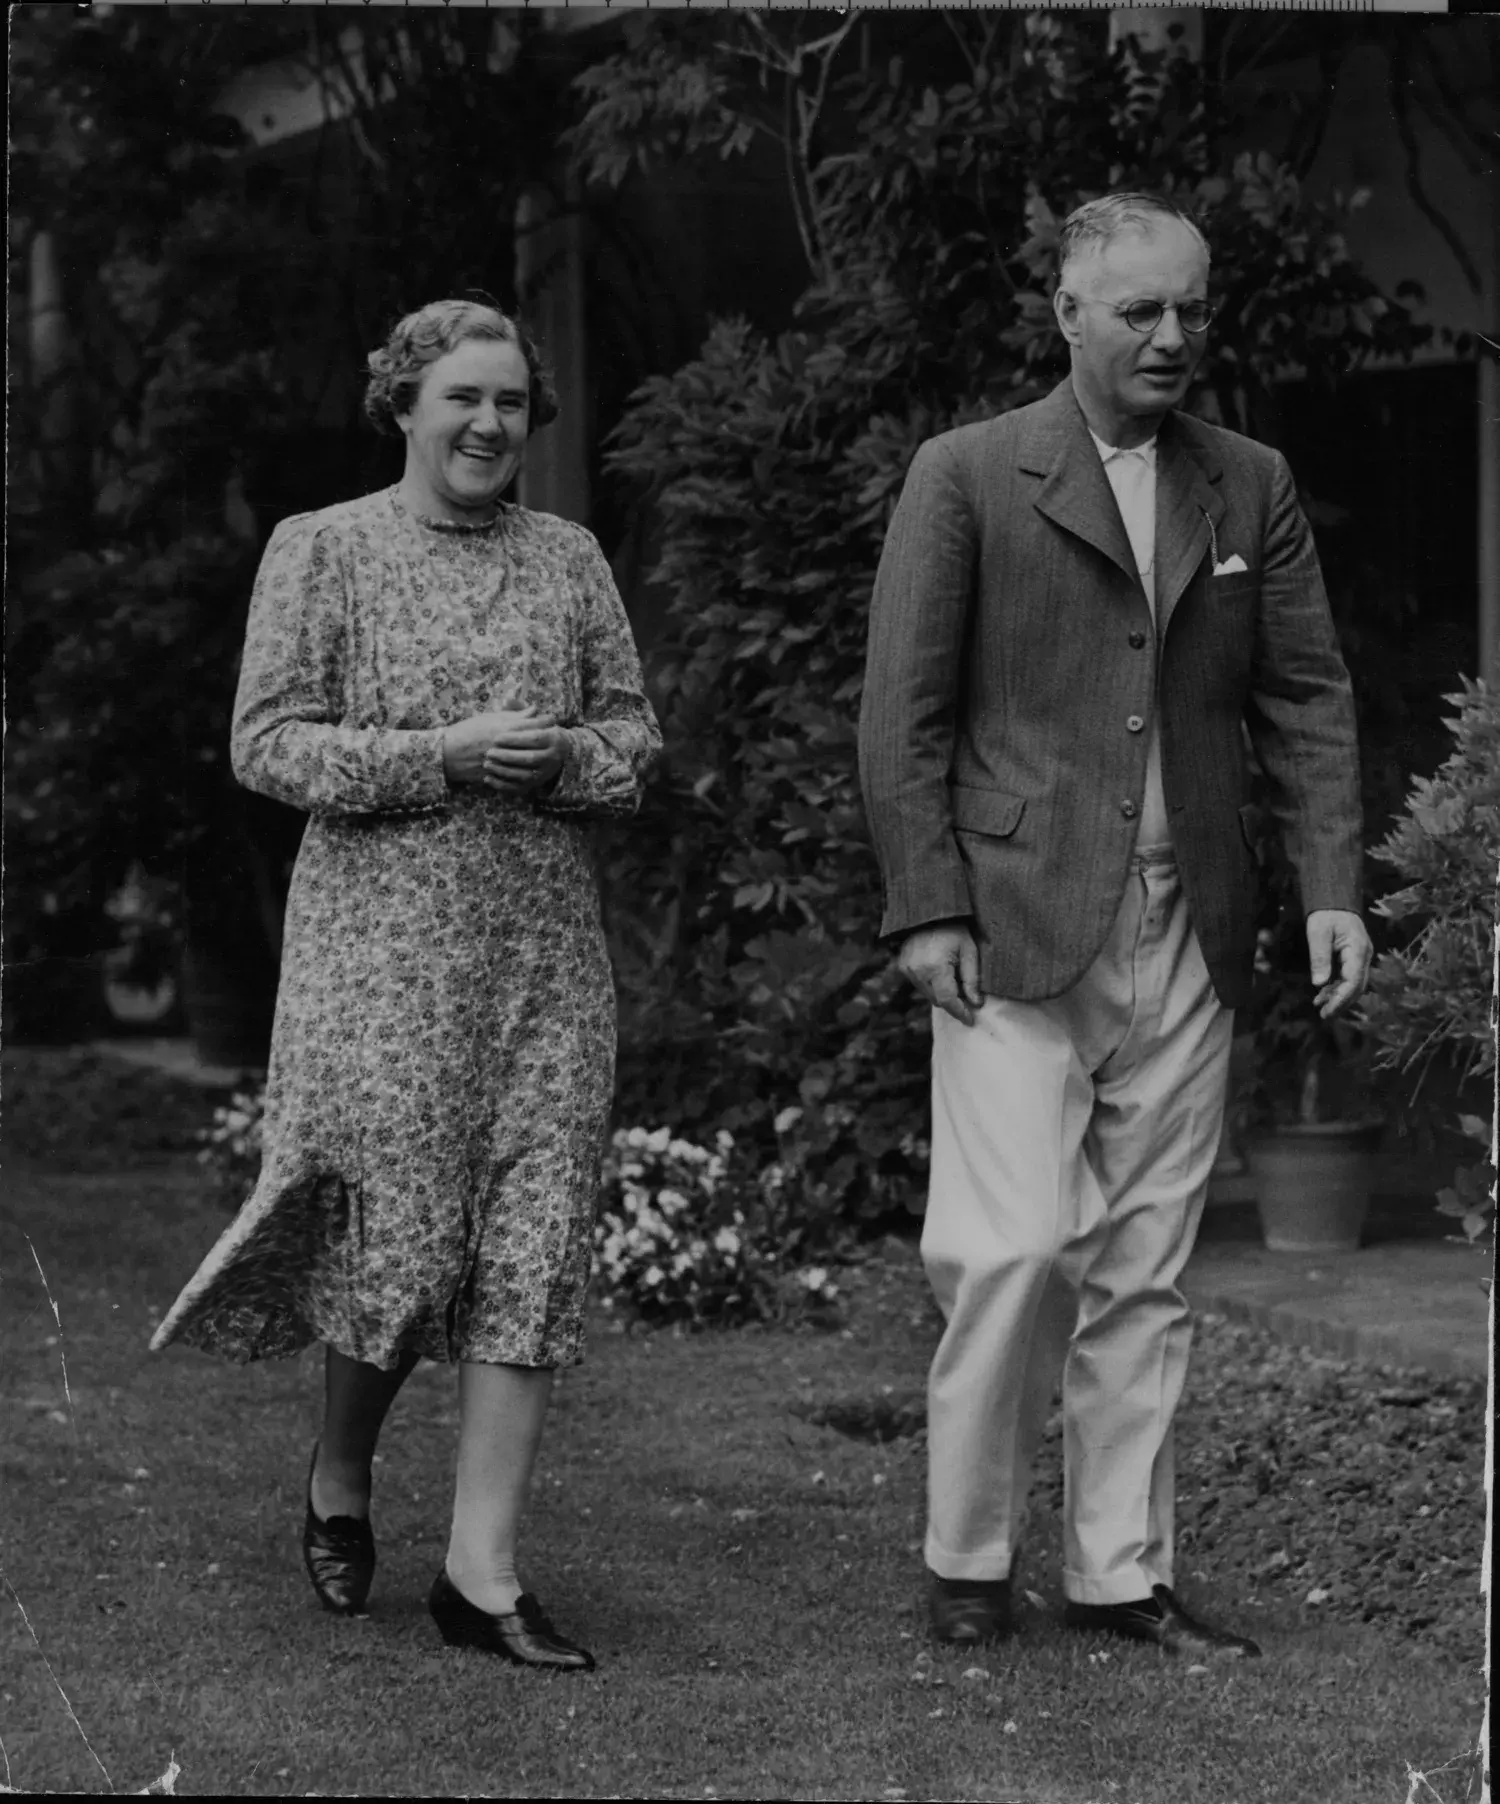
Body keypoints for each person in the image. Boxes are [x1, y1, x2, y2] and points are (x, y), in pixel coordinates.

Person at [858, 192, 1371, 1661]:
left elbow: (1307, 697)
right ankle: (968, 1557)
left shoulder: (1249, 480)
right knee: (1011, 1248)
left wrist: (1327, 889)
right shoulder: (965, 475)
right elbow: (903, 716)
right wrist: (927, 904)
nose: (1171, 335)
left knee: (1147, 1267)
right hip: (1014, 921)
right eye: (1140, 310)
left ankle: (1119, 1576)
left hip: (1193, 924)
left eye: (1192, 309)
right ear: (1069, 315)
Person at [151, 298, 661, 1673]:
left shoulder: (566, 558)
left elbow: (634, 735)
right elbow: (268, 744)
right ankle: (338, 1475)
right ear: (405, 404)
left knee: (535, 1240)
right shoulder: (324, 550)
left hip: (542, 958)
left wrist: (566, 760)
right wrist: (439, 752)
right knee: (404, 1244)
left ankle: (480, 1575)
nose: (490, 423)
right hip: (381, 961)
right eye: (463, 399)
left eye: (509, 401)